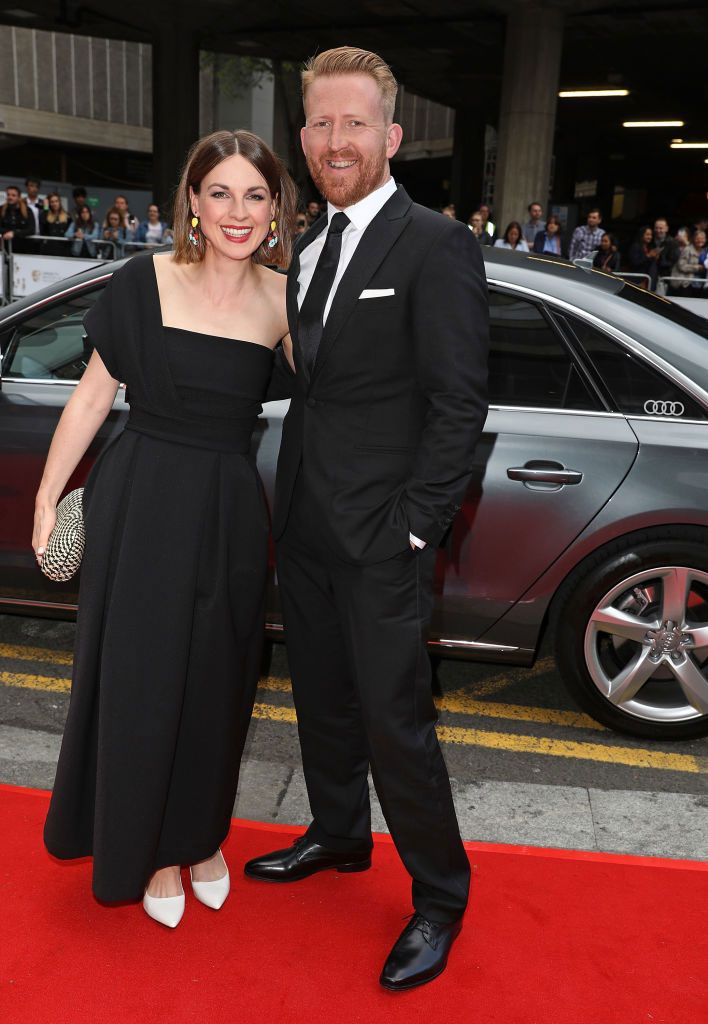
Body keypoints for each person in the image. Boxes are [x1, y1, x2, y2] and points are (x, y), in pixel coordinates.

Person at [244, 46, 489, 992]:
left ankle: (439, 898)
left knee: (396, 722)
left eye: (353, 124)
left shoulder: (435, 244)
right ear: (301, 138)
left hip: (385, 534)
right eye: (318, 125)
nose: (334, 141)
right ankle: (340, 836)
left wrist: (418, 530)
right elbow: (305, 377)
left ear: (390, 137)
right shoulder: (307, 247)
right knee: (323, 702)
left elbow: (459, 405)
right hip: (303, 520)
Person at [35, 130, 296, 928]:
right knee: (141, 684)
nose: (237, 211)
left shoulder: (286, 301)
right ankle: (143, 848)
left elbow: (340, 401)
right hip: (141, 498)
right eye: (220, 192)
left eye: (255, 195)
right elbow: (90, 398)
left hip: (225, 508)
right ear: (191, 200)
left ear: (275, 208)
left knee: (218, 681)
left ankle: (200, 836)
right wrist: (49, 496)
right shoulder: (141, 281)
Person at [672, 227, 707, 293]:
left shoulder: (705, 251)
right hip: (687, 283)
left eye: (702, 239)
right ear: (693, 239)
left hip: (700, 284)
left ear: (705, 240)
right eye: (697, 239)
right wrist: (697, 267)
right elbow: (681, 266)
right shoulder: (687, 249)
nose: (700, 240)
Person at [0, 184, 33, 253]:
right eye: (8, 195)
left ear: (19, 197)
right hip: (5, 249)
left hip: (23, 249)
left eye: (13, 195)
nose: (10, 197)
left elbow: (31, 229)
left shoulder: (27, 211)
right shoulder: (1, 209)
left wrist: (14, 233)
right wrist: (7, 232)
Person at [653, 218, 678, 291]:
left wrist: (659, 259)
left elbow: (673, 261)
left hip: (664, 277)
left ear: (666, 229)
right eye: (656, 228)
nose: (658, 230)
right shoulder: (650, 239)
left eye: (661, 228)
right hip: (650, 276)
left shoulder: (673, 243)